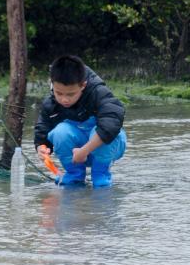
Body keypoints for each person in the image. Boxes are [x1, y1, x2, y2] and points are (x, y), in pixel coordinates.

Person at [34, 55, 127, 186]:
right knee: (60, 132)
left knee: (100, 131)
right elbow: (42, 128)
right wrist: (41, 147)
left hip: (107, 147)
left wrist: (85, 150)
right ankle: (74, 175)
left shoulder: (98, 93)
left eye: (71, 94)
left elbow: (111, 124)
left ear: (83, 85)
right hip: (76, 155)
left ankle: (101, 175)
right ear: (52, 83)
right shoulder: (50, 104)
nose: (64, 99)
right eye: (59, 93)